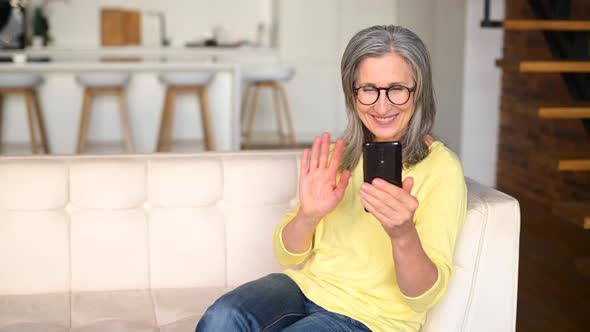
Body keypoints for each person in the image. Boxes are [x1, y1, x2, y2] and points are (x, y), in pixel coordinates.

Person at [195, 24, 467, 332]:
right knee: (222, 317)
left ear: (419, 91)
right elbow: (286, 253)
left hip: (372, 318)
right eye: (368, 89)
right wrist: (308, 216)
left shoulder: (442, 168)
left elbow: (423, 297)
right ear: (352, 93)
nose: (382, 105)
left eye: (397, 89)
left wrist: (403, 235)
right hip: (305, 288)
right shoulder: (342, 154)